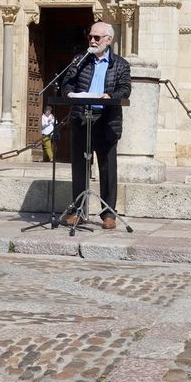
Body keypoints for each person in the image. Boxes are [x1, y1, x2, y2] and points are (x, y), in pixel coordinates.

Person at [59, 21, 132, 229]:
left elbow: (125, 88)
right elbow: (67, 82)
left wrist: (111, 95)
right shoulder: (80, 60)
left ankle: (108, 214)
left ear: (108, 40)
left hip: (106, 120)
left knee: (107, 168)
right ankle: (78, 211)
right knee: (80, 167)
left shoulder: (120, 64)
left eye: (96, 37)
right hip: (82, 118)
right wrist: (68, 93)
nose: (92, 40)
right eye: (90, 36)